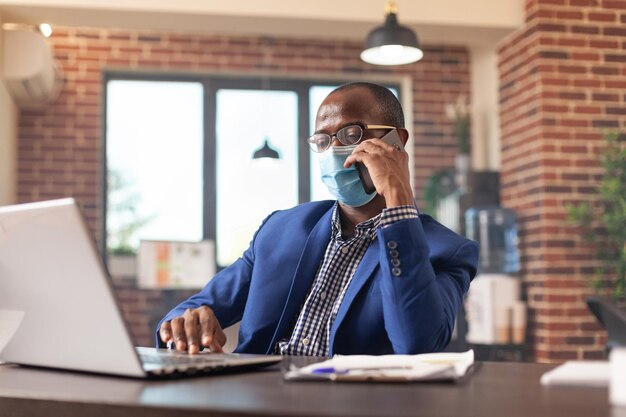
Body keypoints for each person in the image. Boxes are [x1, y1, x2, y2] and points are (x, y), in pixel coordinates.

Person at [157, 82, 478, 356]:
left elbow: (417, 346)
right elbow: (194, 310)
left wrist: (398, 200)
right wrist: (185, 324)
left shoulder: (447, 251)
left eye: (351, 134)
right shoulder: (281, 229)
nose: (334, 151)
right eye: (322, 141)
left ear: (396, 142)